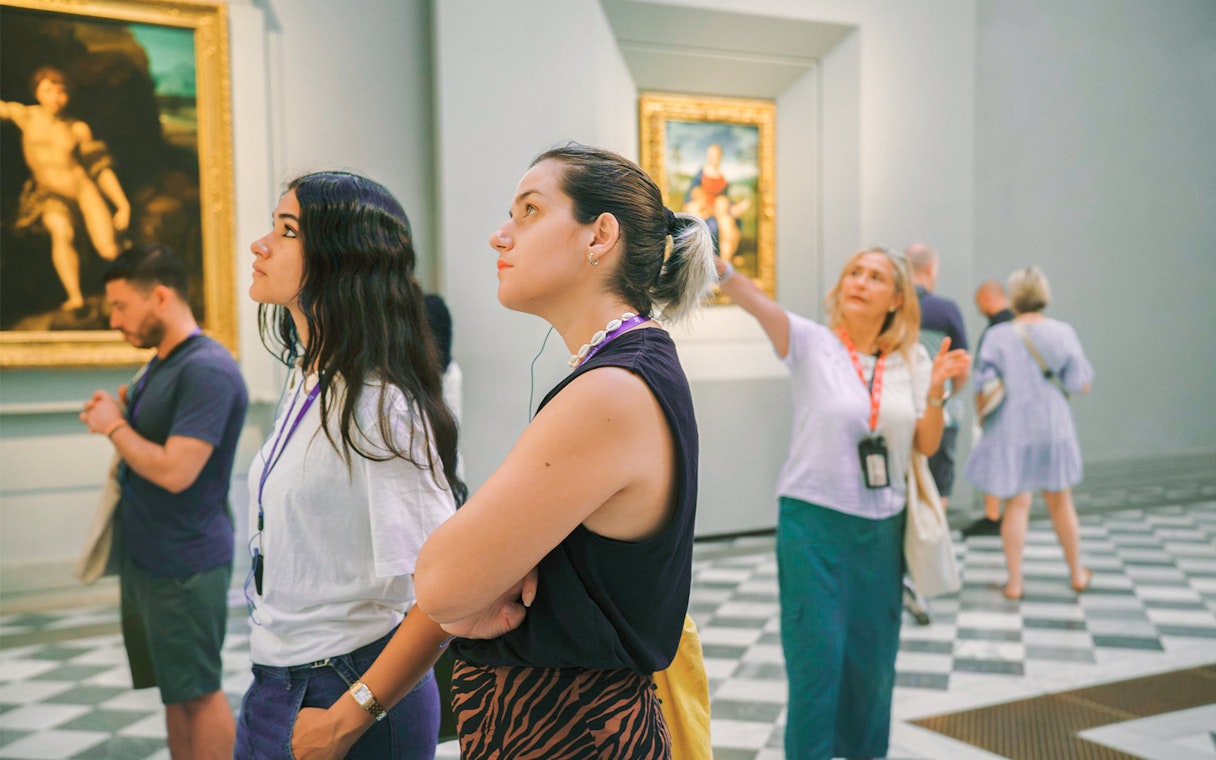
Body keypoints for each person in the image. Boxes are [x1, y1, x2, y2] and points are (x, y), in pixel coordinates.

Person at [412, 142, 717, 758]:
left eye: (529, 211)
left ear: (599, 235)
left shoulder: (611, 389)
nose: (500, 236)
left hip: (570, 733)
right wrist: (474, 594)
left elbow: (440, 584)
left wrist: (469, 598)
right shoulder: (624, 369)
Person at [234, 171, 464, 760]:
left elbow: (449, 591)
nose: (260, 244)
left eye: (287, 231)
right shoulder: (310, 377)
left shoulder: (380, 407)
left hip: (346, 687)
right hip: (277, 678)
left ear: (342, 260)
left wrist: (345, 719)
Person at [714, 247, 970, 760]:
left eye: (875, 277)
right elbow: (754, 300)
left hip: (882, 532)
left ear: (896, 298)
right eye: (854, 272)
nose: (859, 282)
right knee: (817, 663)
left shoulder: (912, 360)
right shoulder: (813, 343)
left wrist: (937, 392)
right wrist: (715, 262)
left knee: (871, 668)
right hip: (813, 528)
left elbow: (925, 444)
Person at [78, 243, 247, 760]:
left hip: (185, 562)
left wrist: (114, 426)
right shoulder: (162, 364)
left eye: (121, 306)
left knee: (198, 691)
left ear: (159, 297)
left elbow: (176, 471)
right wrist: (123, 412)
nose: (113, 320)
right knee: (176, 692)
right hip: (152, 557)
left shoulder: (207, 368)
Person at [964, 266, 1094, 600]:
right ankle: (1077, 573)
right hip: (1053, 425)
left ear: (1013, 296)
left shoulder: (997, 336)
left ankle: (1015, 582)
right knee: (1060, 501)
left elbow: (982, 384)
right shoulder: (1063, 332)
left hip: (1012, 427)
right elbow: (1080, 382)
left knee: (1017, 504)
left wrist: (982, 417)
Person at [1, 66, 131, 312]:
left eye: (61, 91)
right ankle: (75, 297)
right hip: (50, 194)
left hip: (83, 191)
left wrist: (122, 204)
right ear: (37, 92)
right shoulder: (26, 115)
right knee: (62, 231)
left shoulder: (77, 128)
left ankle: (127, 296)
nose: (55, 97)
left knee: (108, 249)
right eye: (48, 90)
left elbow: (100, 168)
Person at [905, 243, 970, 507]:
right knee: (937, 488)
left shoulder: (891, 307)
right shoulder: (946, 310)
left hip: (895, 405)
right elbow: (962, 366)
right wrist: (946, 393)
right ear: (931, 269)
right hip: (938, 411)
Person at [960, 279, 1016, 538]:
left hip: (998, 409)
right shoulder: (1017, 325)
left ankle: (993, 516)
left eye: (978, 302)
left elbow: (986, 375)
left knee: (993, 461)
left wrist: (982, 407)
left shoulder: (997, 331)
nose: (978, 308)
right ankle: (1005, 515)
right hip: (1016, 408)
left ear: (987, 297)